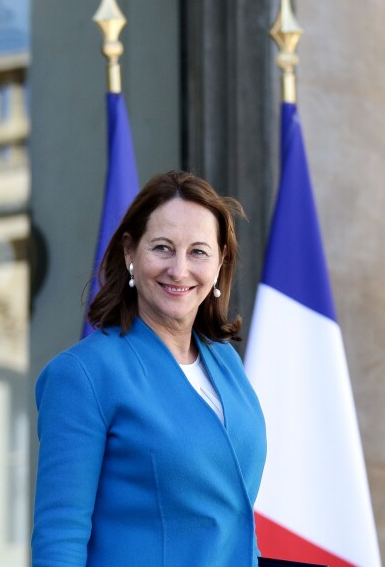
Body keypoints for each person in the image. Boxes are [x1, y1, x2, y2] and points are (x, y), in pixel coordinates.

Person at [32, 170, 267, 566]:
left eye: (198, 251)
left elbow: (235, 518)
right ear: (130, 253)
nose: (179, 270)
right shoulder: (83, 375)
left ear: (220, 261)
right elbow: (60, 538)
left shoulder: (224, 360)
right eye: (162, 248)